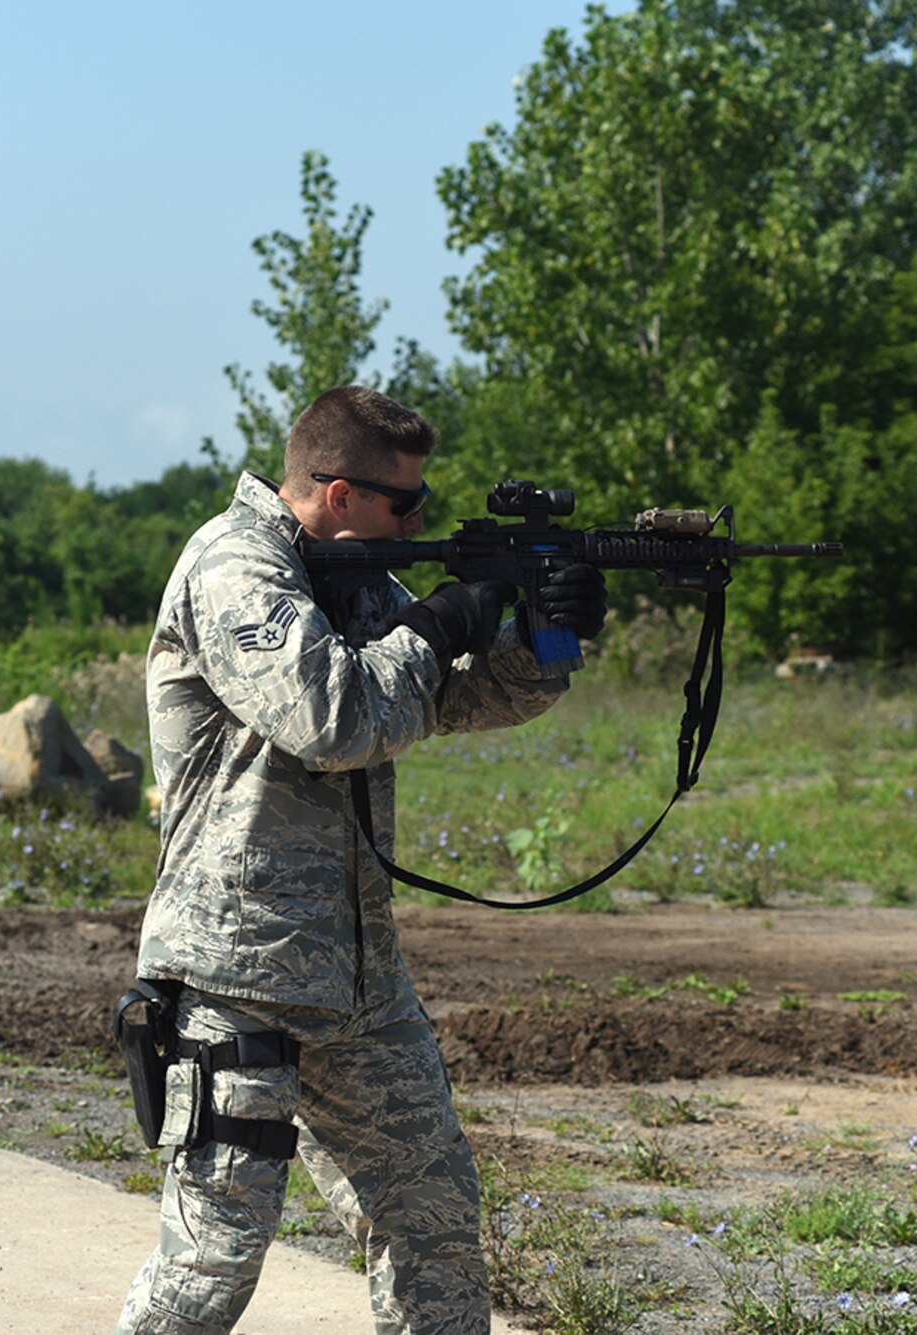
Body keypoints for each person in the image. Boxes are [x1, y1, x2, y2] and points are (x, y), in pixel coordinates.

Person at [115, 386, 607, 1335]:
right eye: (403, 505)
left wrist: (548, 636)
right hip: (237, 971)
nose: (418, 521)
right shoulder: (234, 567)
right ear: (339, 495)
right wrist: (438, 624)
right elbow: (335, 718)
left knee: (434, 1223)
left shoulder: (358, 582)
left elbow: (448, 698)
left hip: (359, 979)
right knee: (213, 1257)